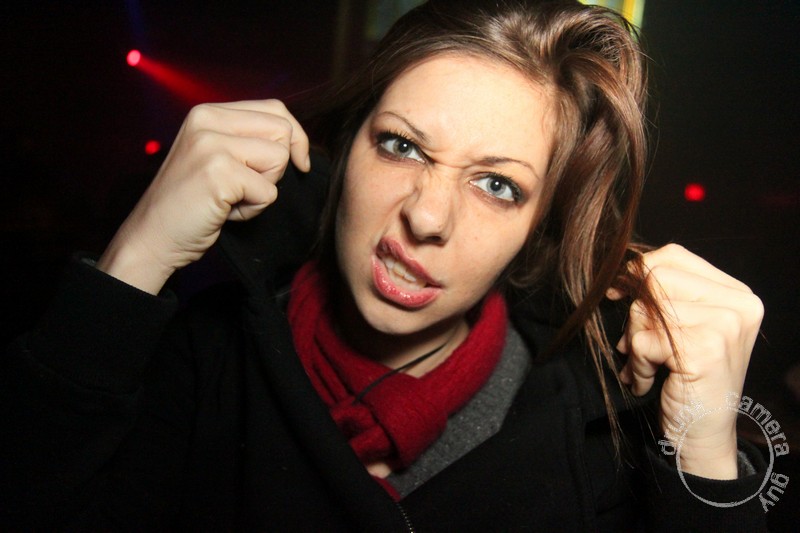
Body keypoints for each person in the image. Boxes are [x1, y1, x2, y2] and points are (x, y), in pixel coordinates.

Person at [1, 0, 767, 530]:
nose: (427, 218)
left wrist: (702, 453)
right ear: (345, 147)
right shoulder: (208, 357)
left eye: (498, 185)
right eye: (401, 146)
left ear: (536, 229)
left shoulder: (584, 443)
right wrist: (132, 262)